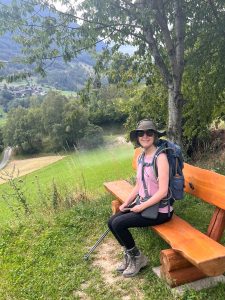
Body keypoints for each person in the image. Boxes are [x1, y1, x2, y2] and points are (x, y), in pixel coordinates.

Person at [108, 119, 174, 278]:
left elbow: (163, 192)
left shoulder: (160, 158)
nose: (145, 136)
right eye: (141, 133)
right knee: (111, 221)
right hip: (144, 205)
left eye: (149, 133)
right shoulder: (141, 157)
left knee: (119, 224)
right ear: (137, 137)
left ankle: (138, 259)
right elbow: (139, 185)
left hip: (160, 211)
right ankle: (131, 255)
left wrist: (141, 207)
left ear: (155, 136)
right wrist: (127, 203)